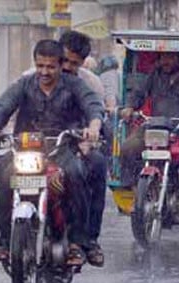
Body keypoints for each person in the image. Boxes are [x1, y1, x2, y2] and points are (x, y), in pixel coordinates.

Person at [0, 39, 103, 266]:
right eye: (40, 66)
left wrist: (93, 127)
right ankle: (6, 243)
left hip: (62, 149)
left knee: (76, 173)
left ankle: (77, 243)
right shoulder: (25, 84)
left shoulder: (74, 85)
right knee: (2, 170)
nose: (44, 72)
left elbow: (92, 105)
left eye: (50, 67)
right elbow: (3, 105)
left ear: (60, 65)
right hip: (25, 150)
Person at [120, 52, 179, 217]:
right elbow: (138, 93)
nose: (166, 62)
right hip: (157, 125)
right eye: (163, 57)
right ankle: (137, 194)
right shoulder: (154, 76)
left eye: (170, 57)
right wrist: (129, 106)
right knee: (128, 147)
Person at [57, 30, 108, 267]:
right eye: (63, 60)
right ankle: (9, 241)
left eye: (73, 63)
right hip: (42, 146)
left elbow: (95, 112)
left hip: (78, 144)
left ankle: (88, 239)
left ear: (83, 63)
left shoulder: (91, 83)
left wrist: (91, 135)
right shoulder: (34, 76)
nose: (66, 67)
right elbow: (14, 109)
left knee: (97, 165)